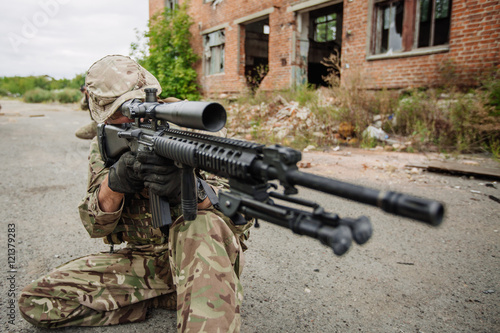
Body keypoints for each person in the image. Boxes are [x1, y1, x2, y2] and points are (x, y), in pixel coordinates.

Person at [18, 55, 252, 332]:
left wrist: (189, 189)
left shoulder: (193, 128)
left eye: (137, 105)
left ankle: (196, 294)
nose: (133, 116)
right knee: (37, 302)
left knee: (201, 224)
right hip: (144, 262)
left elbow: (241, 212)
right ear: (102, 113)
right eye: (122, 111)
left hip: (201, 254)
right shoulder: (106, 141)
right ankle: (168, 296)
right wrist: (115, 183)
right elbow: (94, 225)